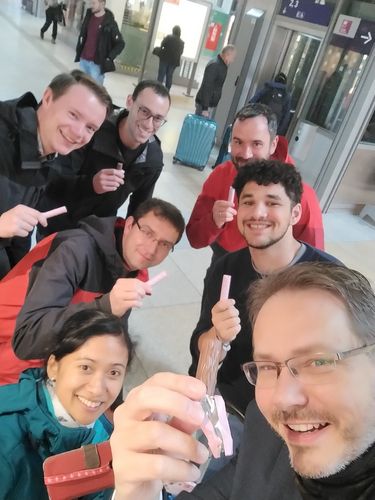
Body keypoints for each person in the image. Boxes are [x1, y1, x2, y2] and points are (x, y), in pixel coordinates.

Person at [110, 262, 375, 500]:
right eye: (268, 366)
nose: (282, 398)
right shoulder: (265, 427)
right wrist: (140, 494)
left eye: (318, 362)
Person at [189, 161, 339, 419]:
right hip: (231, 410)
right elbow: (201, 346)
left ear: (295, 213)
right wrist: (217, 336)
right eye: (248, 202)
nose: (257, 213)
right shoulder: (225, 270)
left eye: (272, 203)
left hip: (293, 415)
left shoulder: (329, 279)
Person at [0, 198, 184, 385]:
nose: (152, 249)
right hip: (10, 364)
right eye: (147, 232)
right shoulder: (76, 250)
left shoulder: (133, 271)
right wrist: (105, 305)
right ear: (129, 225)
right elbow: (25, 340)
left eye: (164, 244)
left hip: (45, 365)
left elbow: (114, 333)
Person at [0, 309, 132, 500]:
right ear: (53, 366)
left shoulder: (99, 428)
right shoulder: (8, 440)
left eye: (114, 373)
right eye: (85, 367)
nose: (97, 389)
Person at [0, 70, 112, 279]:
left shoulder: (48, 152)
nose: (79, 133)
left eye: (90, 128)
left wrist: (18, 278)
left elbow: (21, 226)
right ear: (48, 97)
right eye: (73, 115)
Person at [186, 103, 324, 262]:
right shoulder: (221, 175)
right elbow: (194, 238)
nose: (245, 154)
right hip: (224, 264)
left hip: (274, 279)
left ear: (273, 144)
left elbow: (314, 265)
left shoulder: (302, 195)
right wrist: (213, 221)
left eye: (256, 144)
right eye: (238, 142)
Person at [39, 80, 171, 235]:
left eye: (157, 118)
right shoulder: (93, 129)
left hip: (97, 231)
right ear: (130, 102)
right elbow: (51, 183)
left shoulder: (152, 159)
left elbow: (139, 209)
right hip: (59, 224)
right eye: (144, 112)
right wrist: (91, 184)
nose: (149, 124)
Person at [75, 0, 125, 85]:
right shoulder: (88, 16)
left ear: (102, 4)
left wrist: (109, 57)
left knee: (96, 92)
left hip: (96, 65)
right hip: (83, 60)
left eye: (94, 3)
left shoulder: (110, 22)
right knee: (81, 89)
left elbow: (120, 43)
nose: (92, 5)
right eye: (91, 3)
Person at [195, 45, 236, 118]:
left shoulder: (222, 65)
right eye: (232, 57)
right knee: (199, 128)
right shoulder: (215, 65)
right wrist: (205, 108)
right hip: (204, 105)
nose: (233, 60)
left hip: (209, 103)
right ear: (227, 55)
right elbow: (207, 87)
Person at [157, 26, 184, 91]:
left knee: (161, 74)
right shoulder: (181, 42)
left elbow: (162, 44)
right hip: (174, 61)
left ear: (173, 31)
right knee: (169, 76)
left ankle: (158, 89)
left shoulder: (168, 37)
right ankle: (167, 90)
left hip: (165, 59)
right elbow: (181, 52)